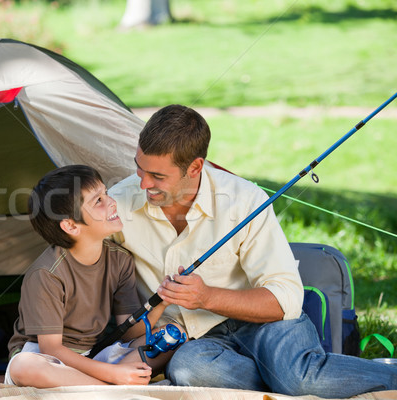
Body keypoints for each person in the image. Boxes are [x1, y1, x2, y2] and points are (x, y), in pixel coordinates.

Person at [108, 104, 397, 397]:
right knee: (188, 371)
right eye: (139, 167)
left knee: (299, 379)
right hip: (197, 345)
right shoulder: (118, 203)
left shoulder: (244, 200)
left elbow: (286, 298)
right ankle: (284, 379)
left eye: (158, 176)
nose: (143, 183)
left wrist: (206, 297)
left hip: (264, 324)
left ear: (195, 167)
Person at [1, 165, 177, 387]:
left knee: (172, 335)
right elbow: (51, 349)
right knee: (24, 366)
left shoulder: (120, 260)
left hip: (94, 357)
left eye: (106, 193)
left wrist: (162, 300)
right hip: (48, 360)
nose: (111, 202)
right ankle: (113, 391)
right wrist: (112, 374)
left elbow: (129, 332)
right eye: (98, 201)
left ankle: (107, 387)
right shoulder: (46, 274)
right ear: (71, 226)